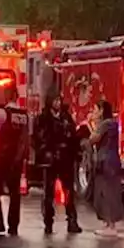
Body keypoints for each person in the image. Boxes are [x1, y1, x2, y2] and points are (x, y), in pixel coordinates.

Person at [32, 96, 82, 235]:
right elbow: (37, 138)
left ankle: (72, 221)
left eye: (59, 100)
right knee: (48, 193)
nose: (57, 103)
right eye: (55, 100)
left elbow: (73, 136)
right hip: (50, 159)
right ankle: (48, 222)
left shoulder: (66, 117)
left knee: (69, 191)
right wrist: (45, 151)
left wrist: (76, 152)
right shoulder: (43, 118)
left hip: (65, 158)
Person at [0, 85, 29, 236]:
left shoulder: (2, 114)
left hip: (3, 158)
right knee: (14, 193)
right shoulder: (24, 114)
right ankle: (13, 226)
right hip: (17, 159)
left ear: (7, 96)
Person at [88, 100, 124, 237]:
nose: (94, 113)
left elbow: (93, 139)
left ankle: (110, 225)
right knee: (109, 191)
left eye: (96, 109)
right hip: (112, 161)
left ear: (102, 110)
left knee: (106, 193)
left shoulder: (104, 124)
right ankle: (108, 223)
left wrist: (90, 125)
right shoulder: (112, 124)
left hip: (105, 162)